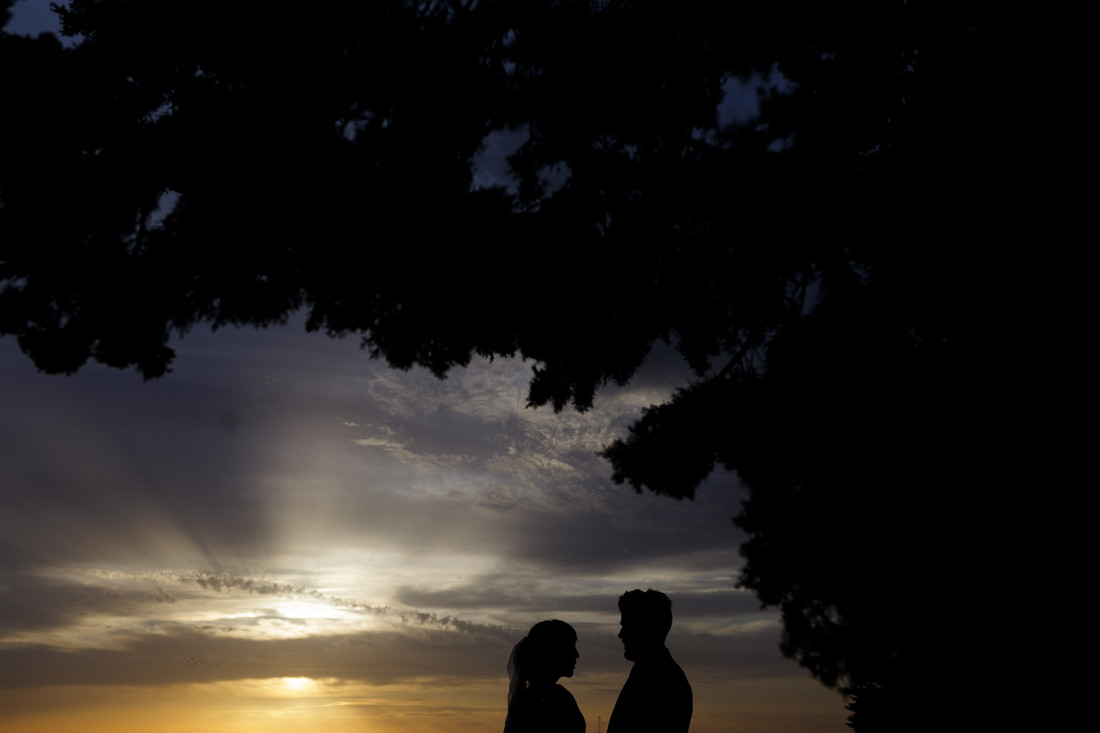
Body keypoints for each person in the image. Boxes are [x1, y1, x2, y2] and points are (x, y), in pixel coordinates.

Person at [607, 589, 692, 733]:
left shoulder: (661, 679)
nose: (620, 635)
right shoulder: (653, 673)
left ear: (644, 628)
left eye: (626, 626)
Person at [504, 619, 585, 733]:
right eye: (570, 646)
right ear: (553, 650)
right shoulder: (558, 697)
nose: (576, 654)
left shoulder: (526, 698)